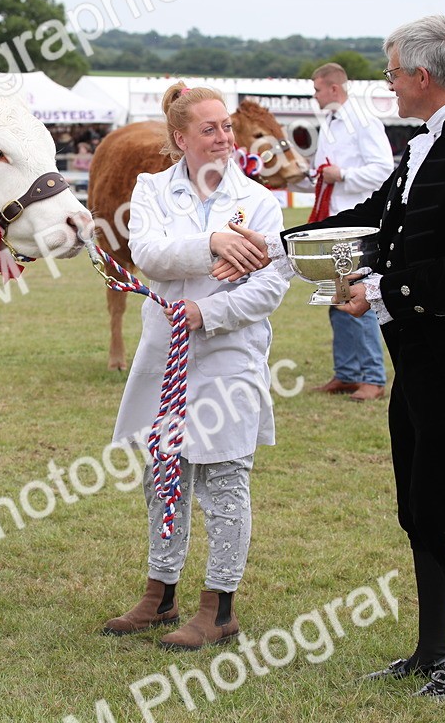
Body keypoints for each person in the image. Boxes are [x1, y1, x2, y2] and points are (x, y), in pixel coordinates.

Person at [224, 15, 445, 700]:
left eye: (391, 73)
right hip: (416, 349)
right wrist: (275, 248)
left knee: (443, 500)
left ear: (421, 75)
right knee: (416, 502)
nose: (388, 85)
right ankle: (429, 649)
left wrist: (384, 290)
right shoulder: (424, 143)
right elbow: (373, 223)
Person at [101, 83, 288, 651]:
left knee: (225, 478)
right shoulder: (151, 189)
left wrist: (209, 311)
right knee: (164, 474)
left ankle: (219, 607)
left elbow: (270, 284)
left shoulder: (259, 200)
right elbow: (149, 254)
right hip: (166, 354)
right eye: (210, 129)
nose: (224, 137)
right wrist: (215, 243)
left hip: (230, 352)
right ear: (180, 138)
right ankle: (160, 594)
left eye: (226, 126)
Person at [297, 62, 395, 401]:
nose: (315, 95)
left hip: (357, 226)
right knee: (336, 298)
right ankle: (348, 373)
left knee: (356, 296)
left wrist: (344, 175)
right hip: (334, 222)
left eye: (317, 89)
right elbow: (322, 174)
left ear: (334, 88)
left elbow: (383, 170)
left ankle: (373, 377)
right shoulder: (330, 122)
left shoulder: (364, 121)